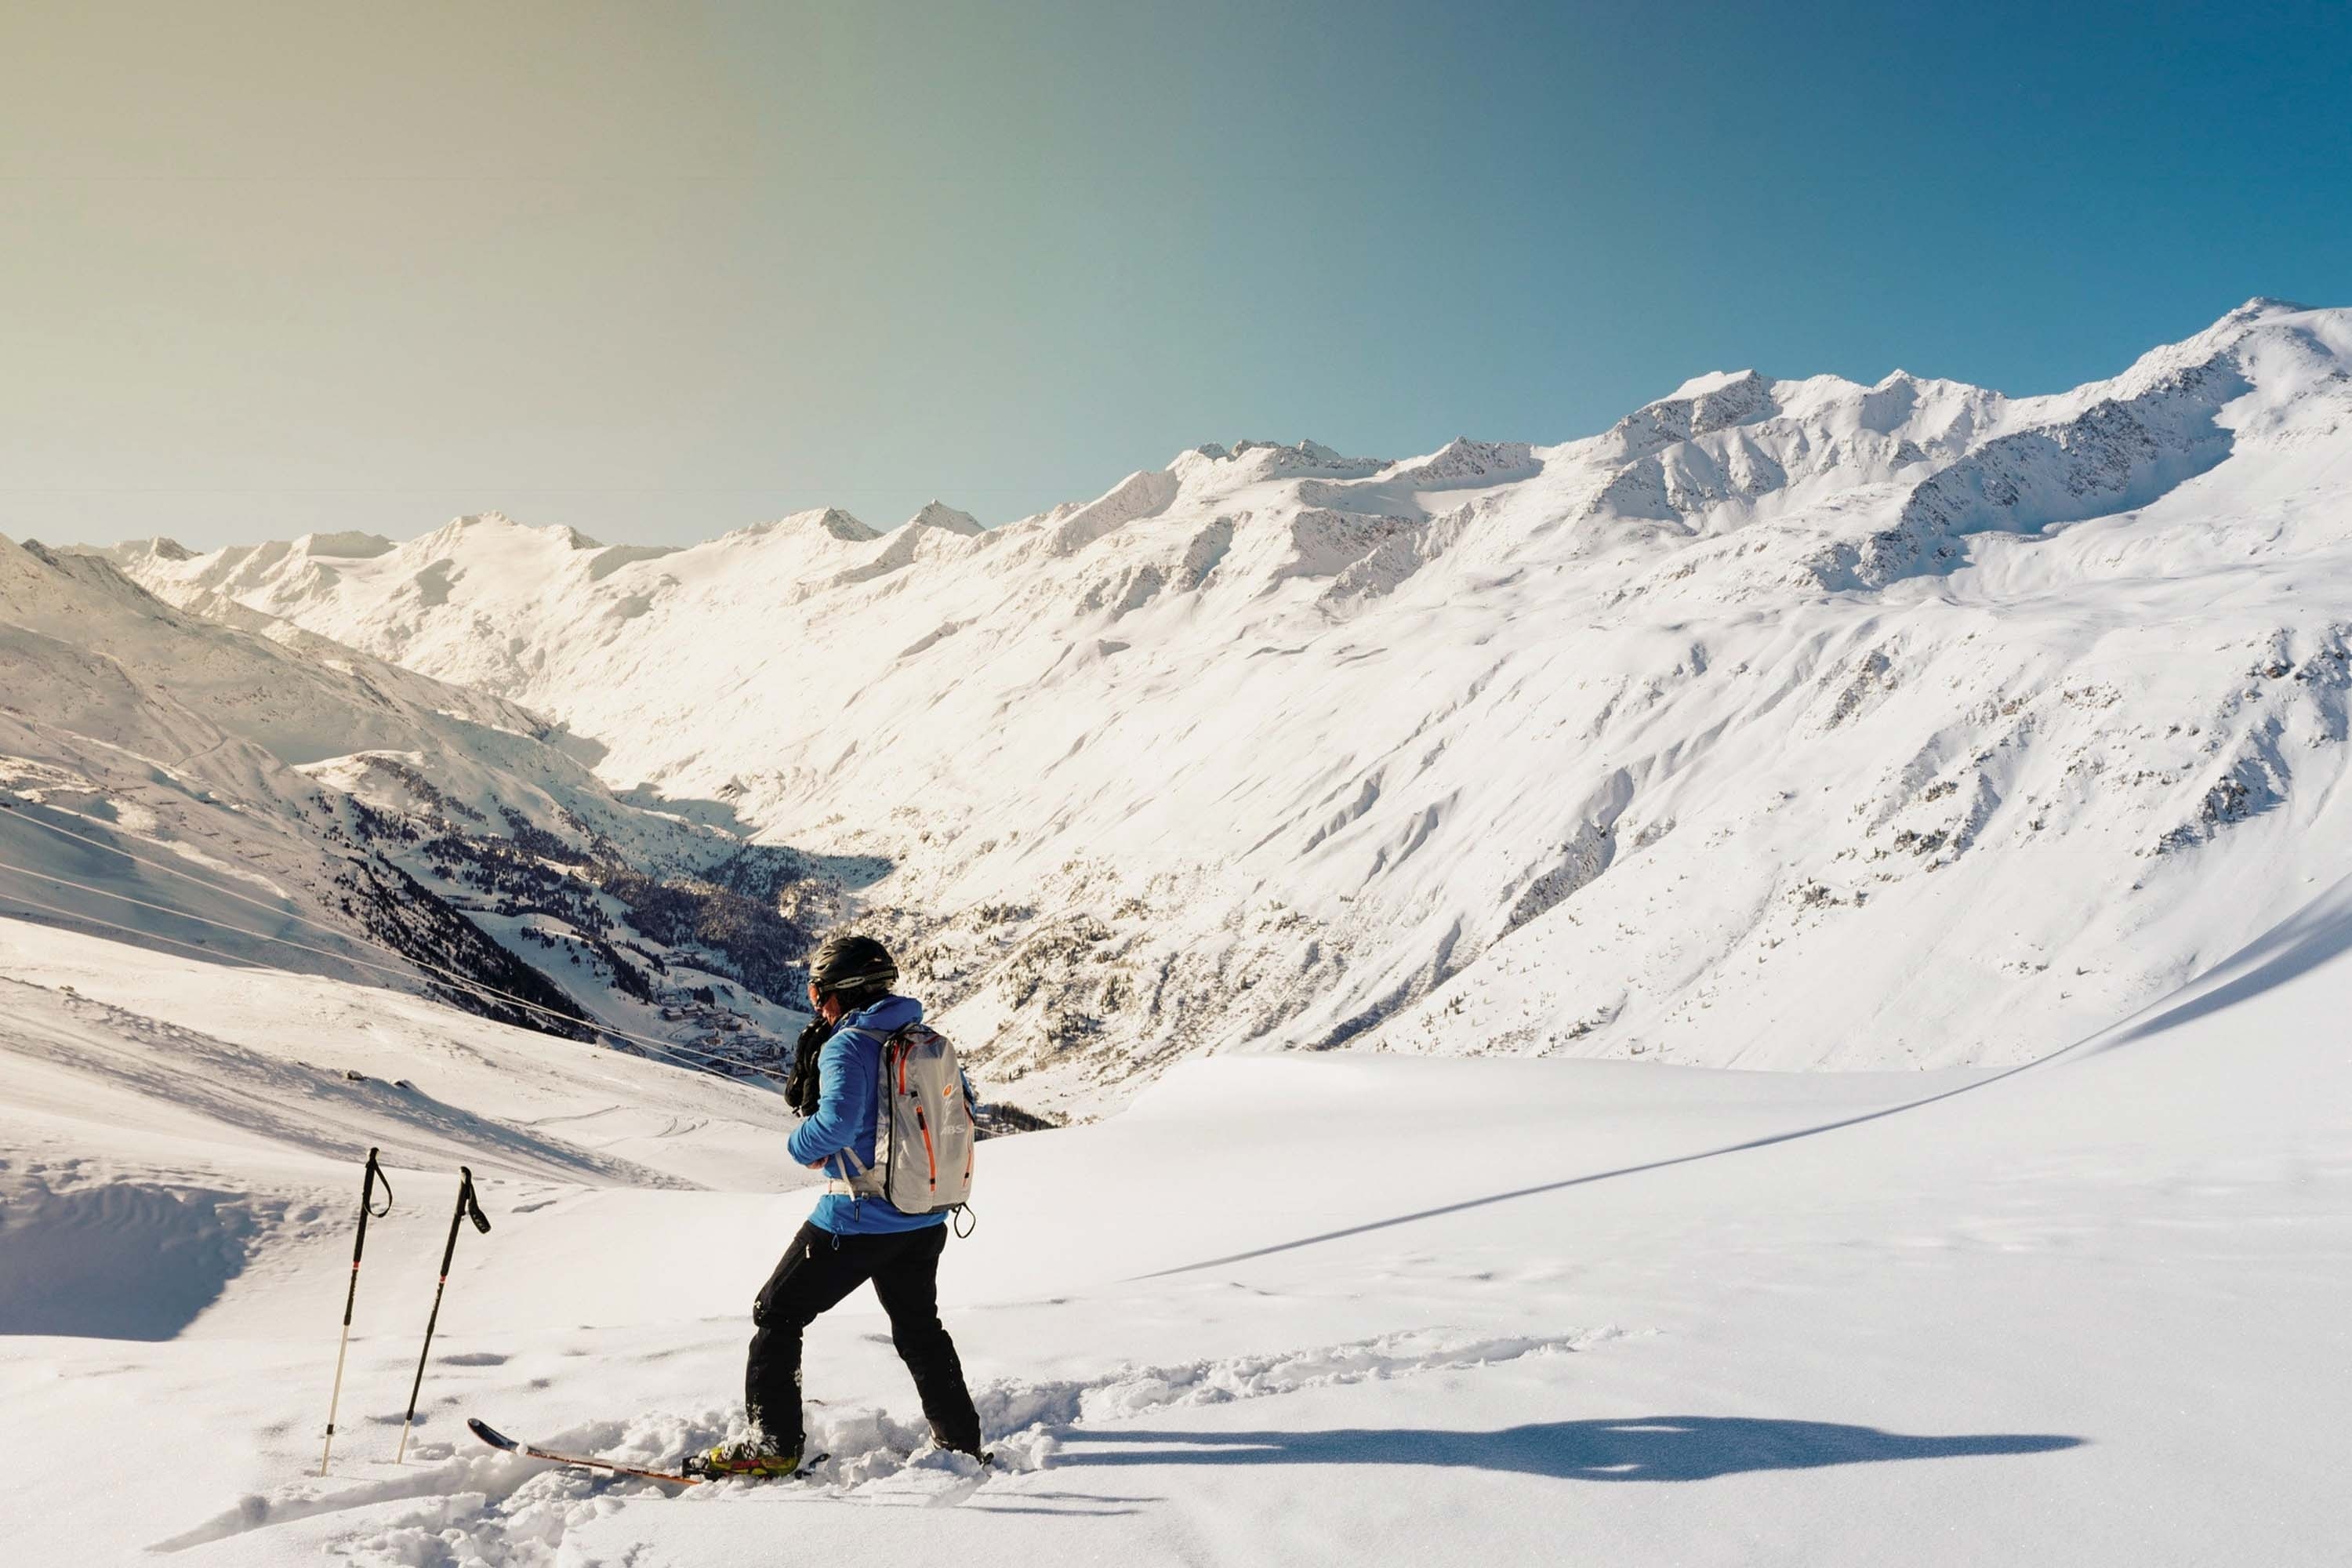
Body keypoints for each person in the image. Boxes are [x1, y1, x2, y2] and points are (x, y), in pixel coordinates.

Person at [694, 931, 984, 1478]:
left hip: (855, 1220)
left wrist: (799, 1145)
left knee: (776, 1314)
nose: (817, 1006)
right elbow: (967, 1106)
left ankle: (772, 1444)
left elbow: (836, 1126)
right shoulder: (925, 1037)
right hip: (924, 1216)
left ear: (842, 993)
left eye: (819, 993)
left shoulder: (848, 1045)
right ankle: (962, 1442)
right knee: (921, 1330)